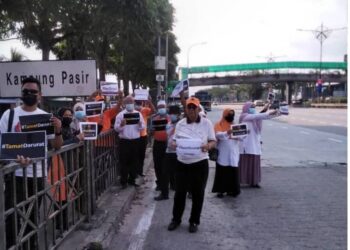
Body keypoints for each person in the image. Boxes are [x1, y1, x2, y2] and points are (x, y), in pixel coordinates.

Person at [0, 76, 63, 249]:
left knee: (33, 218)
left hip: (37, 176)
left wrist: (58, 131)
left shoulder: (45, 117)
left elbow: (56, 146)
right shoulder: (9, 115)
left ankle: (30, 246)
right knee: (11, 219)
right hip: (14, 177)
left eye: (32, 92)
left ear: (40, 96)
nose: (28, 94)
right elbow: (2, 146)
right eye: (25, 91)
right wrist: (13, 158)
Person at [167, 97, 216, 233]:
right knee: (179, 194)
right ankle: (176, 219)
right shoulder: (180, 124)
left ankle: (194, 221)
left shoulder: (206, 123)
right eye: (189, 107)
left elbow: (213, 141)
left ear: (198, 108)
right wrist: (174, 144)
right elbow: (174, 141)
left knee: (198, 194)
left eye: (194, 107)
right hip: (182, 163)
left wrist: (208, 146)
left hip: (199, 164)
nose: (191, 110)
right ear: (186, 109)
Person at [238, 101, 278, 188]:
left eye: (254, 107)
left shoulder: (255, 118)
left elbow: (262, 116)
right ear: (246, 108)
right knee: (244, 163)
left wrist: (278, 113)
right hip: (245, 145)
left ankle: (254, 182)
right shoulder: (244, 116)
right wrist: (268, 112)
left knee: (254, 163)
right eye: (251, 107)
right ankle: (241, 180)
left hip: (255, 144)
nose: (253, 108)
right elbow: (259, 115)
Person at [114, 95, 145, 188]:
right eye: (128, 102)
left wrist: (140, 124)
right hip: (124, 141)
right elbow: (116, 129)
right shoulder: (120, 115)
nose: (130, 104)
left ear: (134, 103)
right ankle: (123, 181)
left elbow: (143, 127)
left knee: (134, 161)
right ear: (124, 104)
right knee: (124, 162)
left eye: (131, 102)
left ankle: (132, 180)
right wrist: (122, 125)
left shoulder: (138, 114)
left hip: (136, 141)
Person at [154, 104, 181, 201]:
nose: (172, 115)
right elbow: (167, 135)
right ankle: (164, 194)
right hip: (169, 151)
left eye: (174, 114)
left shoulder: (182, 124)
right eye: (171, 113)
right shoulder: (169, 124)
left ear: (178, 115)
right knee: (165, 172)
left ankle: (188, 191)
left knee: (181, 173)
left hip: (179, 152)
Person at [212, 108, 241, 198]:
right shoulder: (218, 124)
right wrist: (227, 133)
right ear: (224, 115)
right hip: (223, 152)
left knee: (232, 171)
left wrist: (245, 133)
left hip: (233, 152)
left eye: (232, 114)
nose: (231, 116)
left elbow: (241, 137)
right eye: (229, 114)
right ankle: (220, 190)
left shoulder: (235, 125)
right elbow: (217, 135)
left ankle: (232, 190)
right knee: (222, 171)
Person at [150, 100, 170, 190]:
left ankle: (167, 183)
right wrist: (152, 130)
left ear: (166, 107)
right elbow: (150, 132)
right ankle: (159, 183)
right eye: (160, 107)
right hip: (157, 144)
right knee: (157, 165)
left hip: (168, 144)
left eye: (163, 107)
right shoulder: (154, 118)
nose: (162, 109)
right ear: (158, 108)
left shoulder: (170, 118)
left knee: (166, 165)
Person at [135, 96, 155, 177]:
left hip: (143, 136)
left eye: (140, 103)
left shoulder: (144, 110)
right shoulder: (131, 111)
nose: (138, 105)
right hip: (134, 137)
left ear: (142, 103)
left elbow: (153, 111)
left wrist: (150, 101)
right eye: (137, 103)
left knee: (141, 155)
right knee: (134, 155)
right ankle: (134, 172)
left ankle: (140, 171)